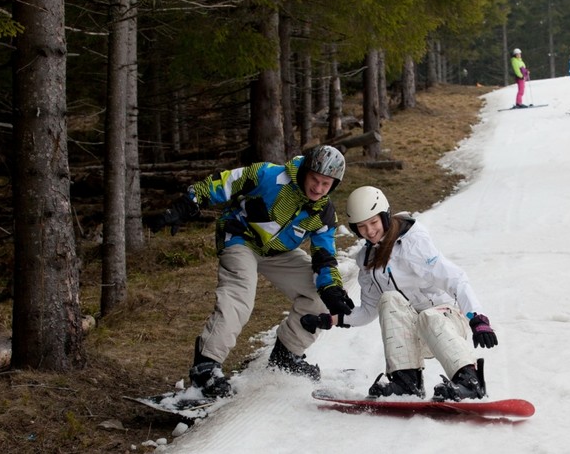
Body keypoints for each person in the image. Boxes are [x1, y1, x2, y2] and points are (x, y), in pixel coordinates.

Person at [147, 145, 354, 398]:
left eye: (326, 184)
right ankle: (206, 368)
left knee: (318, 295)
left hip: (278, 252)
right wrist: (186, 204)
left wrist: (331, 289)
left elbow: (324, 256)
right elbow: (225, 183)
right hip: (240, 238)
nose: (318, 188)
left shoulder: (323, 212)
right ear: (305, 171)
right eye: (315, 180)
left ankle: (286, 356)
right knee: (240, 295)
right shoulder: (269, 176)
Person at [300, 186, 499, 401]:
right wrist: (329, 320)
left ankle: (470, 381)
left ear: (385, 217)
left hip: (446, 323)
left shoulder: (414, 242)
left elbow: (455, 279)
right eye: (362, 226)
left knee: (428, 316)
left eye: (373, 222)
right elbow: (368, 310)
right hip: (412, 334)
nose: (369, 231)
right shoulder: (367, 260)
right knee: (389, 298)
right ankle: (407, 382)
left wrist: (478, 319)